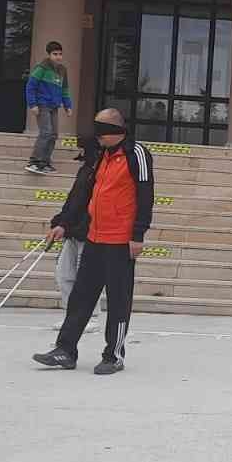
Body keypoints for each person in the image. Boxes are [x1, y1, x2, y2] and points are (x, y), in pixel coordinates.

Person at [33, 108, 154, 375]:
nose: (97, 136)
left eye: (101, 131)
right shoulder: (100, 156)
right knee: (80, 297)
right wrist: (64, 223)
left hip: (121, 241)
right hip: (94, 237)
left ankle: (114, 355)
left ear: (116, 131)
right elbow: (83, 193)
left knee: (118, 300)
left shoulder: (137, 154)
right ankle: (65, 350)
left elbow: (146, 196)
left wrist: (138, 235)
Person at [24, 41, 72, 175]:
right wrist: (32, 104)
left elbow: (65, 90)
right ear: (49, 55)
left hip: (54, 106)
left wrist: (68, 105)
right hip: (42, 105)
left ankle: (45, 163)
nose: (58, 57)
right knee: (46, 132)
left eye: (60, 54)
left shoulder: (63, 70)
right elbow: (30, 87)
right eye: (55, 54)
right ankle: (34, 162)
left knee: (54, 134)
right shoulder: (42, 68)